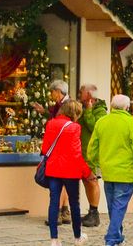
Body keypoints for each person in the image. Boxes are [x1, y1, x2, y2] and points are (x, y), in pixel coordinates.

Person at [92, 94, 133, 246]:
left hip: (108, 173)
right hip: (124, 174)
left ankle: (117, 236)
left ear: (112, 106)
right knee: (118, 208)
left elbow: (92, 149)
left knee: (114, 208)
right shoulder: (131, 123)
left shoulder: (101, 122)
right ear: (127, 107)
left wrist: (97, 164)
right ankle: (111, 239)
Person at [42, 99, 90, 246]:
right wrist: (87, 172)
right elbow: (76, 153)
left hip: (53, 169)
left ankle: (54, 240)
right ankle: (77, 237)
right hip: (70, 171)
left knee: (53, 203)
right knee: (74, 203)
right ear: (75, 113)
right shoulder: (75, 127)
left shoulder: (51, 123)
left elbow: (44, 149)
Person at [34, 80, 72, 226]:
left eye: (52, 92)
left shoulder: (66, 105)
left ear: (58, 91)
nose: (51, 95)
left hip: (61, 148)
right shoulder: (62, 104)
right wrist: (44, 111)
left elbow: (59, 123)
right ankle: (64, 211)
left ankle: (57, 214)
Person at [77, 84, 106, 228]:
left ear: (88, 94)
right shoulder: (82, 108)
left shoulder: (100, 111)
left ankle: (95, 214)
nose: (79, 94)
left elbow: (95, 128)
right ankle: (91, 211)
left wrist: (88, 111)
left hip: (93, 154)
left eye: (81, 92)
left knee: (92, 181)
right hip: (82, 153)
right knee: (86, 182)